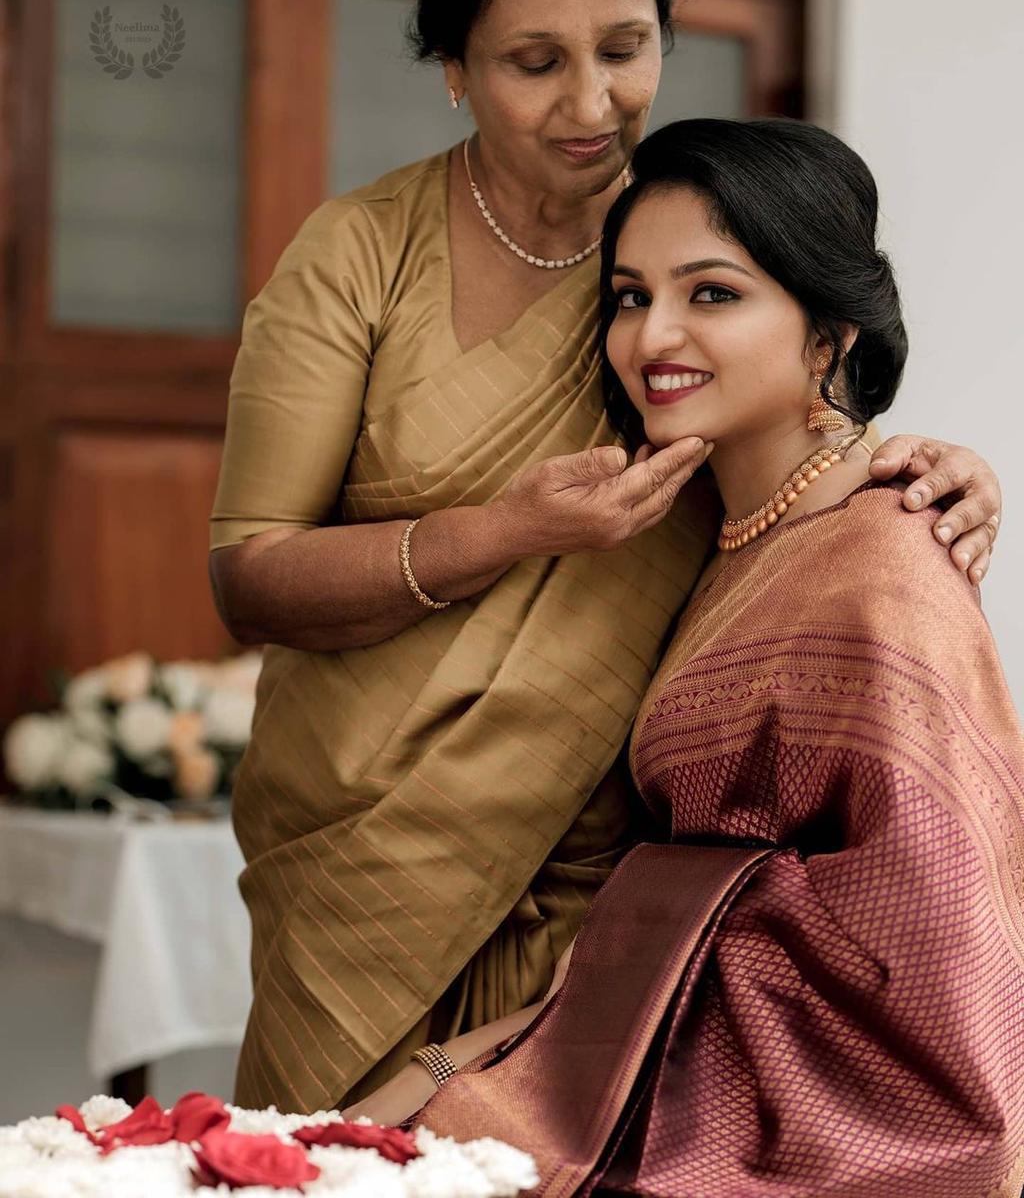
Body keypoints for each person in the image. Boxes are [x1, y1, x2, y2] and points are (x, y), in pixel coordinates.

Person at [208, 0, 1003, 1115]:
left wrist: (938, 466)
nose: (593, 100)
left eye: (626, 49)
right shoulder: (361, 255)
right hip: (366, 859)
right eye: (534, 62)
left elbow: (790, 415)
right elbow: (247, 575)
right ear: (455, 65)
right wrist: (507, 530)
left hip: (607, 880)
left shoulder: (688, 225)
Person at [348, 118, 1024, 1196]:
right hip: (623, 1034)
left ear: (828, 335)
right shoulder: (702, 518)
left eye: (711, 293)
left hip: (776, 1118)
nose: (651, 335)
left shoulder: (887, 562)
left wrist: (642, 933)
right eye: (629, 294)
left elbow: (933, 938)